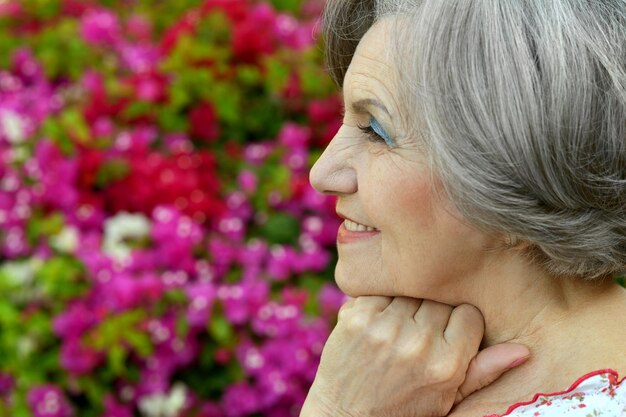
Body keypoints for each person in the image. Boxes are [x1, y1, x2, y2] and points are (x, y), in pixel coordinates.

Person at [301, 0, 626, 416]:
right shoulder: (389, 366)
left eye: (376, 132)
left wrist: (337, 408)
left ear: (516, 181)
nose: (322, 173)